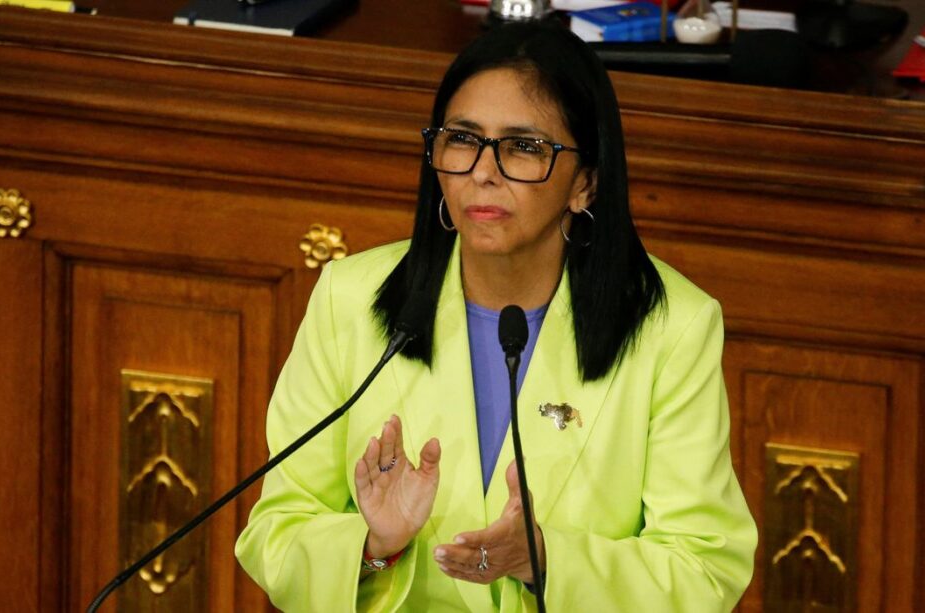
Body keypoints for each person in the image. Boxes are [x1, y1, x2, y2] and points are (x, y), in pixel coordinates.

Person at [235, 20, 757, 612]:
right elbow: (276, 531)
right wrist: (376, 547)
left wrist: (545, 560)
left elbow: (704, 569)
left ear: (585, 183)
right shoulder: (349, 300)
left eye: (523, 147)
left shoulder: (673, 328)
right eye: (462, 139)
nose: (483, 171)